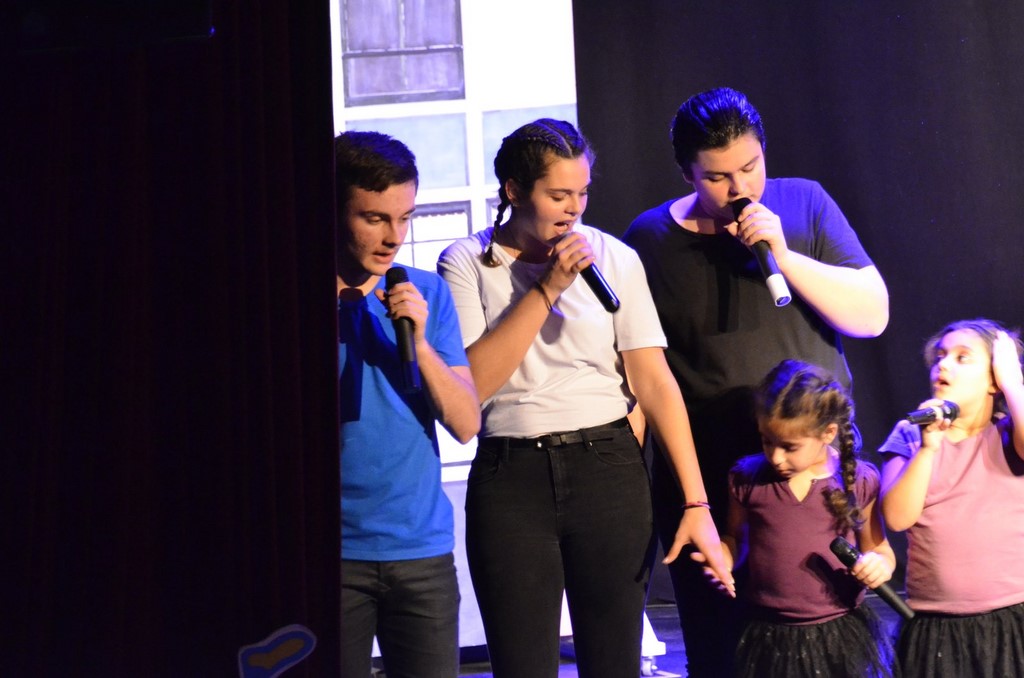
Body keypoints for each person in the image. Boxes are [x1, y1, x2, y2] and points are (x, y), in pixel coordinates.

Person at [437, 118, 732, 678]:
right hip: (511, 475)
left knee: (614, 662)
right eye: (558, 195)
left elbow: (655, 382)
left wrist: (697, 504)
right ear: (514, 190)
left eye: (583, 193)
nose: (573, 209)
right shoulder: (466, 263)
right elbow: (473, 385)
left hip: (607, 468)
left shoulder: (614, 257)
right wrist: (548, 287)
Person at [622, 86, 890, 676]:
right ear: (687, 174)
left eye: (751, 166)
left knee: (823, 644)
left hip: (815, 473)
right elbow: (645, 371)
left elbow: (872, 316)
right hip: (713, 479)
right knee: (723, 650)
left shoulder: (804, 202)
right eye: (718, 177)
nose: (740, 187)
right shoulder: (650, 239)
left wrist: (784, 256)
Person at [337, 131, 480, 678]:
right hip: (333, 554)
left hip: (419, 549)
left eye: (405, 218)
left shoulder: (425, 294)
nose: (393, 236)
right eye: (374, 218)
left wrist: (418, 343)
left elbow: (466, 423)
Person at [697, 359, 896, 677]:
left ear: (828, 433)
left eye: (790, 447)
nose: (776, 457)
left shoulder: (858, 481)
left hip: (838, 631)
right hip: (769, 632)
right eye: (767, 441)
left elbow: (879, 548)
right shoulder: (746, 477)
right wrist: (722, 555)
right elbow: (734, 539)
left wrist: (879, 564)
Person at [879, 319, 1024, 677]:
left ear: (994, 380)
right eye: (940, 356)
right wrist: (928, 449)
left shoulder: (1009, 433)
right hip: (936, 625)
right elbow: (896, 517)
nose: (943, 364)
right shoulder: (910, 435)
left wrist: (1013, 380)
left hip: (1012, 619)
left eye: (962, 357)